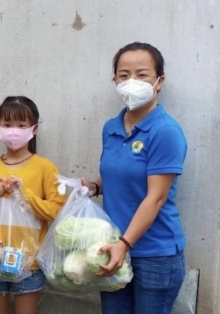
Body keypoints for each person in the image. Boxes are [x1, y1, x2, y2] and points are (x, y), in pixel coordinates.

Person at [81, 42, 187, 314]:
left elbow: (157, 196)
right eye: (124, 75)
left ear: (159, 81)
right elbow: (119, 174)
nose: (132, 81)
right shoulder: (111, 128)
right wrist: (94, 187)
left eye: (142, 74)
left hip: (154, 255)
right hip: (113, 247)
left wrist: (124, 244)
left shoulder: (165, 131)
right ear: (115, 80)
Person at [0, 96, 65, 314]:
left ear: (34, 128)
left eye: (21, 125)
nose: (14, 131)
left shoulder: (45, 168)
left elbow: (56, 212)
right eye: (8, 124)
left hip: (29, 261)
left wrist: (25, 194)